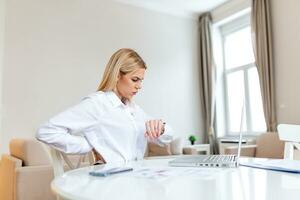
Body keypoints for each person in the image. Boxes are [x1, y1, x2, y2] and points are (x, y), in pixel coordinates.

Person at [36, 48, 173, 164]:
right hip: (112, 184)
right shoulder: (97, 104)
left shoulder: (133, 109)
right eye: (135, 79)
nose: (139, 86)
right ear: (118, 75)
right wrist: (89, 146)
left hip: (136, 178)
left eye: (141, 80)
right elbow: (46, 131)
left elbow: (167, 138)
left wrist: (161, 128)